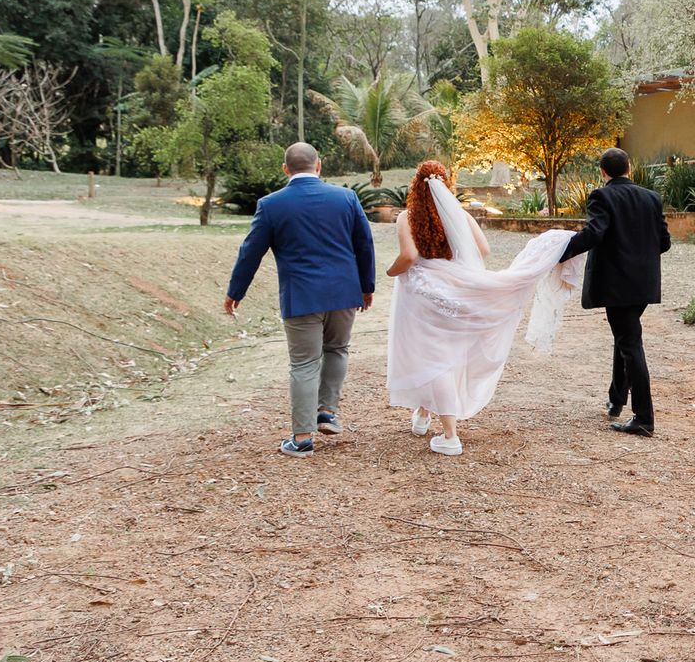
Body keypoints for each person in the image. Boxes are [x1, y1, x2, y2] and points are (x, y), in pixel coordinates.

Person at [386, 161, 582, 458]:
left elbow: (409, 255)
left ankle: (450, 436)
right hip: (454, 293)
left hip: (422, 296)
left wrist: (390, 272)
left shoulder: (407, 217)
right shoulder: (461, 216)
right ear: (446, 186)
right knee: (443, 355)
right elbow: (484, 250)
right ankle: (422, 414)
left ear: (416, 186)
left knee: (429, 355)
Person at [224, 142, 376, 458]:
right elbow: (364, 244)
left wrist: (235, 292)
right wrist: (366, 286)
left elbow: (250, 251)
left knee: (304, 362)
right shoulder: (346, 198)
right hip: (343, 293)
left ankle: (303, 438)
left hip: (302, 296)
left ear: (285, 169)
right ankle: (327, 413)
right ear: (318, 166)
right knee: (337, 349)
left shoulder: (271, 205)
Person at [559, 147, 671, 438]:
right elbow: (664, 242)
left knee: (630, 344)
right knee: (625, 338)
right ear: (629, 168)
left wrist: (560, 251)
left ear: (603, 172)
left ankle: (644, 417)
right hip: (643, 284)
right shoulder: (652, 197)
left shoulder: (602, 196)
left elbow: (595, 233)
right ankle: (617, 399)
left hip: (617, 284)